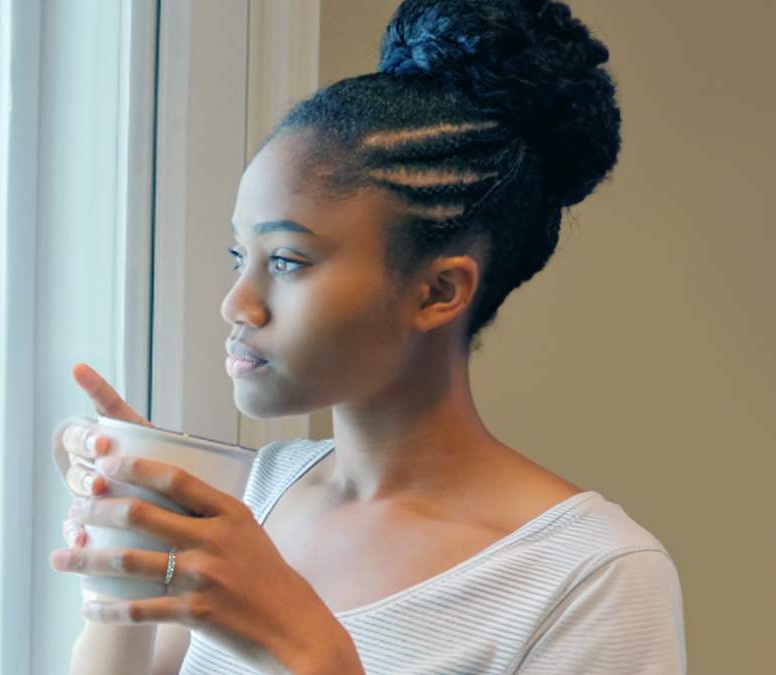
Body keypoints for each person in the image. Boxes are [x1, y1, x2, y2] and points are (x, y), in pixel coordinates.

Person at [51, 0, 686, 672]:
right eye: (241, 257)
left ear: (440, 291)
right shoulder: (248, 504)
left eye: (288, 261)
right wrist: (120, 554)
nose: (237, 302)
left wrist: (303, 645)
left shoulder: (589, 574)